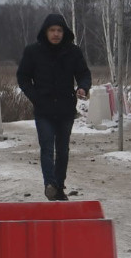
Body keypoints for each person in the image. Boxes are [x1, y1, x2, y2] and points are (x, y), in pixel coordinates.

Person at [16, 13, 92, 201]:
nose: (56, 34)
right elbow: (23, 77)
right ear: (46, 32)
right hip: (44, 110)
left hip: (66, 109)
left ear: (64, 32)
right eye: (52, 30)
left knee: (63, 150)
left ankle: (59, 186)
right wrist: (35, 97)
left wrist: (83, 87)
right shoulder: (33, 51)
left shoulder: (73, 52)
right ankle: (49, 184)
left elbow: (84, 73)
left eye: (59, 30)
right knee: (47, 147)